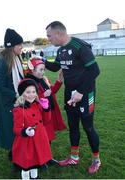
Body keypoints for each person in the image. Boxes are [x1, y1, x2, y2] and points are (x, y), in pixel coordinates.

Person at [45, 21, 101, 174]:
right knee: (73, 125)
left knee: (88, 127)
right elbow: (56, 67)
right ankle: (74, 157)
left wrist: (81, 92)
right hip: (69, 94)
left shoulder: (80, 46)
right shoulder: (61, 50)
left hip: (85, 94)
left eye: (49, 36)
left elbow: (95, 71)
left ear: (58, 34)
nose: (48, 39)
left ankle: (96, 159)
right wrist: (41, 61)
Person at [25, 56, 67, 165]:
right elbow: (29, 98)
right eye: (40, 70)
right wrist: (43, 94)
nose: (42, 72)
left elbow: (52, 91)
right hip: (37, 115)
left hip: (47, 112)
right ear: (32, 70)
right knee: (40, 138)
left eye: (44, 70)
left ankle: (47, 158)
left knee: (48, 136)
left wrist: (59, 81)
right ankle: (40, 159)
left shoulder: (43, 79)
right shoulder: (28, 81)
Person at [12, 78, 52, 179]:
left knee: (36, 162)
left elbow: (46, 121)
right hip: (27, 143)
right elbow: (16, 129)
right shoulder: (19, 110)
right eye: (28, 92)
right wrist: (25, 131)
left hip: (39, 138)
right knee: (26, 166)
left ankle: (35, 177)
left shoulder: (37, 105)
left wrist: (46, 108)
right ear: (22, 93)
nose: (31, 95)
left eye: (34, 92)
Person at [0, 28, 24, 160]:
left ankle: (18, 153)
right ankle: (14, 155)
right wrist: (16, 95)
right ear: (12, 46)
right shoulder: (1, 63)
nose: (22, 47)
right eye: (19, 45)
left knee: (19, 127)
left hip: (18, 100)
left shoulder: (17, 59)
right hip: (8, 103)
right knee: (11, 129)